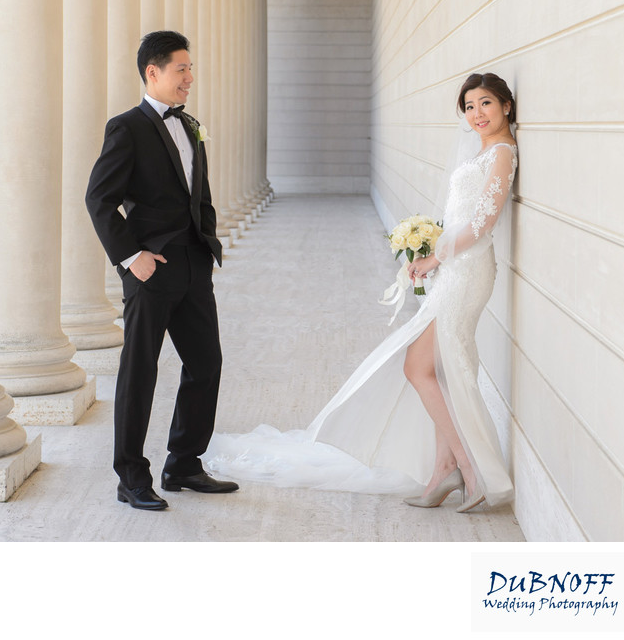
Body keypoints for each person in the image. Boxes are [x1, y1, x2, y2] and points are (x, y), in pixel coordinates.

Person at [205, 72, 518, 513]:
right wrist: (431, 248)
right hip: (455, 268)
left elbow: (484, 221)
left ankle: (467, 468)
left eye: (485, 103)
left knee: (417, 365)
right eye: (469, 107)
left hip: (467, 271)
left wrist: (435, 257)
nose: (477, 114)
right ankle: (444, 470)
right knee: (436, 369)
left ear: (506, 105)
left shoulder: (502, 153)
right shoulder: (480, 151)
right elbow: (461, 213)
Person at [86, 31, 238, 511]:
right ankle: (131, 476)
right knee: (140, 372)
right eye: (181, 69)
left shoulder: (191, 125)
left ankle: (184, 464)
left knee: (206, 364)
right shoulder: (126, 128)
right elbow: (100, 199)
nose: (189, 78)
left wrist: (208, 245)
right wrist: (134, 258)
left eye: (191, 69)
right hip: (151, 272)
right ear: (153, 72)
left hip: (193, 267)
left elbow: (200, 194)